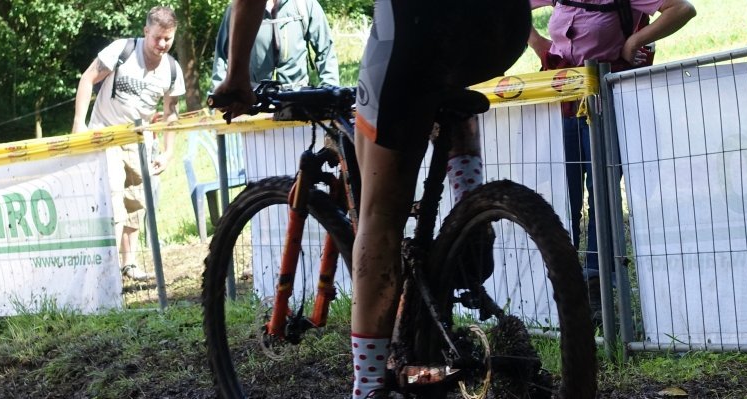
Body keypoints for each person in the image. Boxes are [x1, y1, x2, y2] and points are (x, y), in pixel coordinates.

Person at [214, 0, 531, 397]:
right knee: (442, 82)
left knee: (379, 219)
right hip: (506, 26)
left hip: (419, 24)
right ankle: (470, 211)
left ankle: (367, 387)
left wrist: (237, 77)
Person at [527, 0, 695, 284]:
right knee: (562, 190)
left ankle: (598, 276)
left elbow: (682, 9)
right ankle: (561, 273)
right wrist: (538, 43)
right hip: (560, 104)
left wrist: (634, 42)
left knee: (601, 190)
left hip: (604, 104)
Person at [70, 6, 187, 281]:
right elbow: (88, 78)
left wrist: (169, 152)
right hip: (105, 134)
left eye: (168, 39)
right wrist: (79, 122)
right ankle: (106, 269)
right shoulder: (121, 50)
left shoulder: (172, 69)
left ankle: (129, 263)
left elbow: (171, 112)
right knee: (113, 197)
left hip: (140, 140)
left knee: (137, 201)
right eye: (157, 37)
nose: (162, 44)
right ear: (146, 31)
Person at [210, 0, 338, 90]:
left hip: (298, 99)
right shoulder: (238, 12)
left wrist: (331, 89)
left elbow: (326, 49)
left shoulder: (305, 4)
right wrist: (220, 95)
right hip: (255, 101)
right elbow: (222, 56)